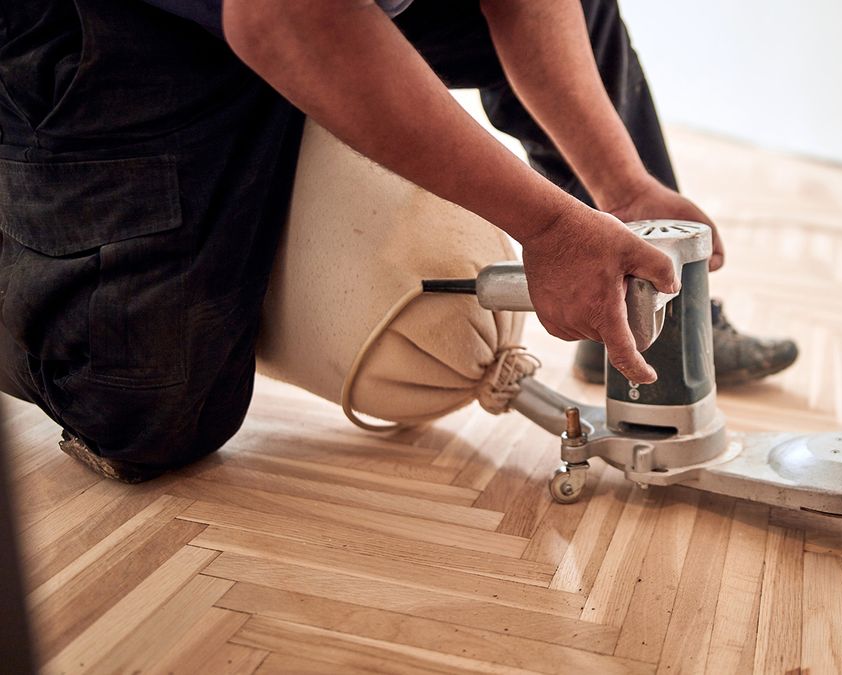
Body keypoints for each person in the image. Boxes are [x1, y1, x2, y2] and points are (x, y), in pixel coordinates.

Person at [0, 0, 797, 483]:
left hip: (303, 13)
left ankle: (641, 328)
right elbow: (287, 16)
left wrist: (619, 189)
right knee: (149, 413)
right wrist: (547, 225)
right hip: (103, 25)